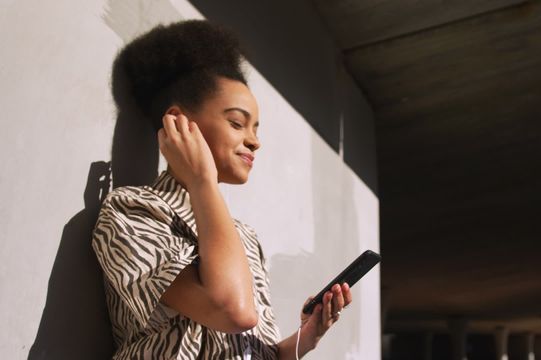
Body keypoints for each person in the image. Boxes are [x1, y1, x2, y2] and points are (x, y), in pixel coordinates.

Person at [91, 19, 352, 359]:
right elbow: (233, 311)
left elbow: (247, 348)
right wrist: (202, 181)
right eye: (236, 122)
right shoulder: (131, 211)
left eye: (256, 128)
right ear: (180, 122)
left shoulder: (241, 236)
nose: (255, 141)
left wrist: (308, 335)